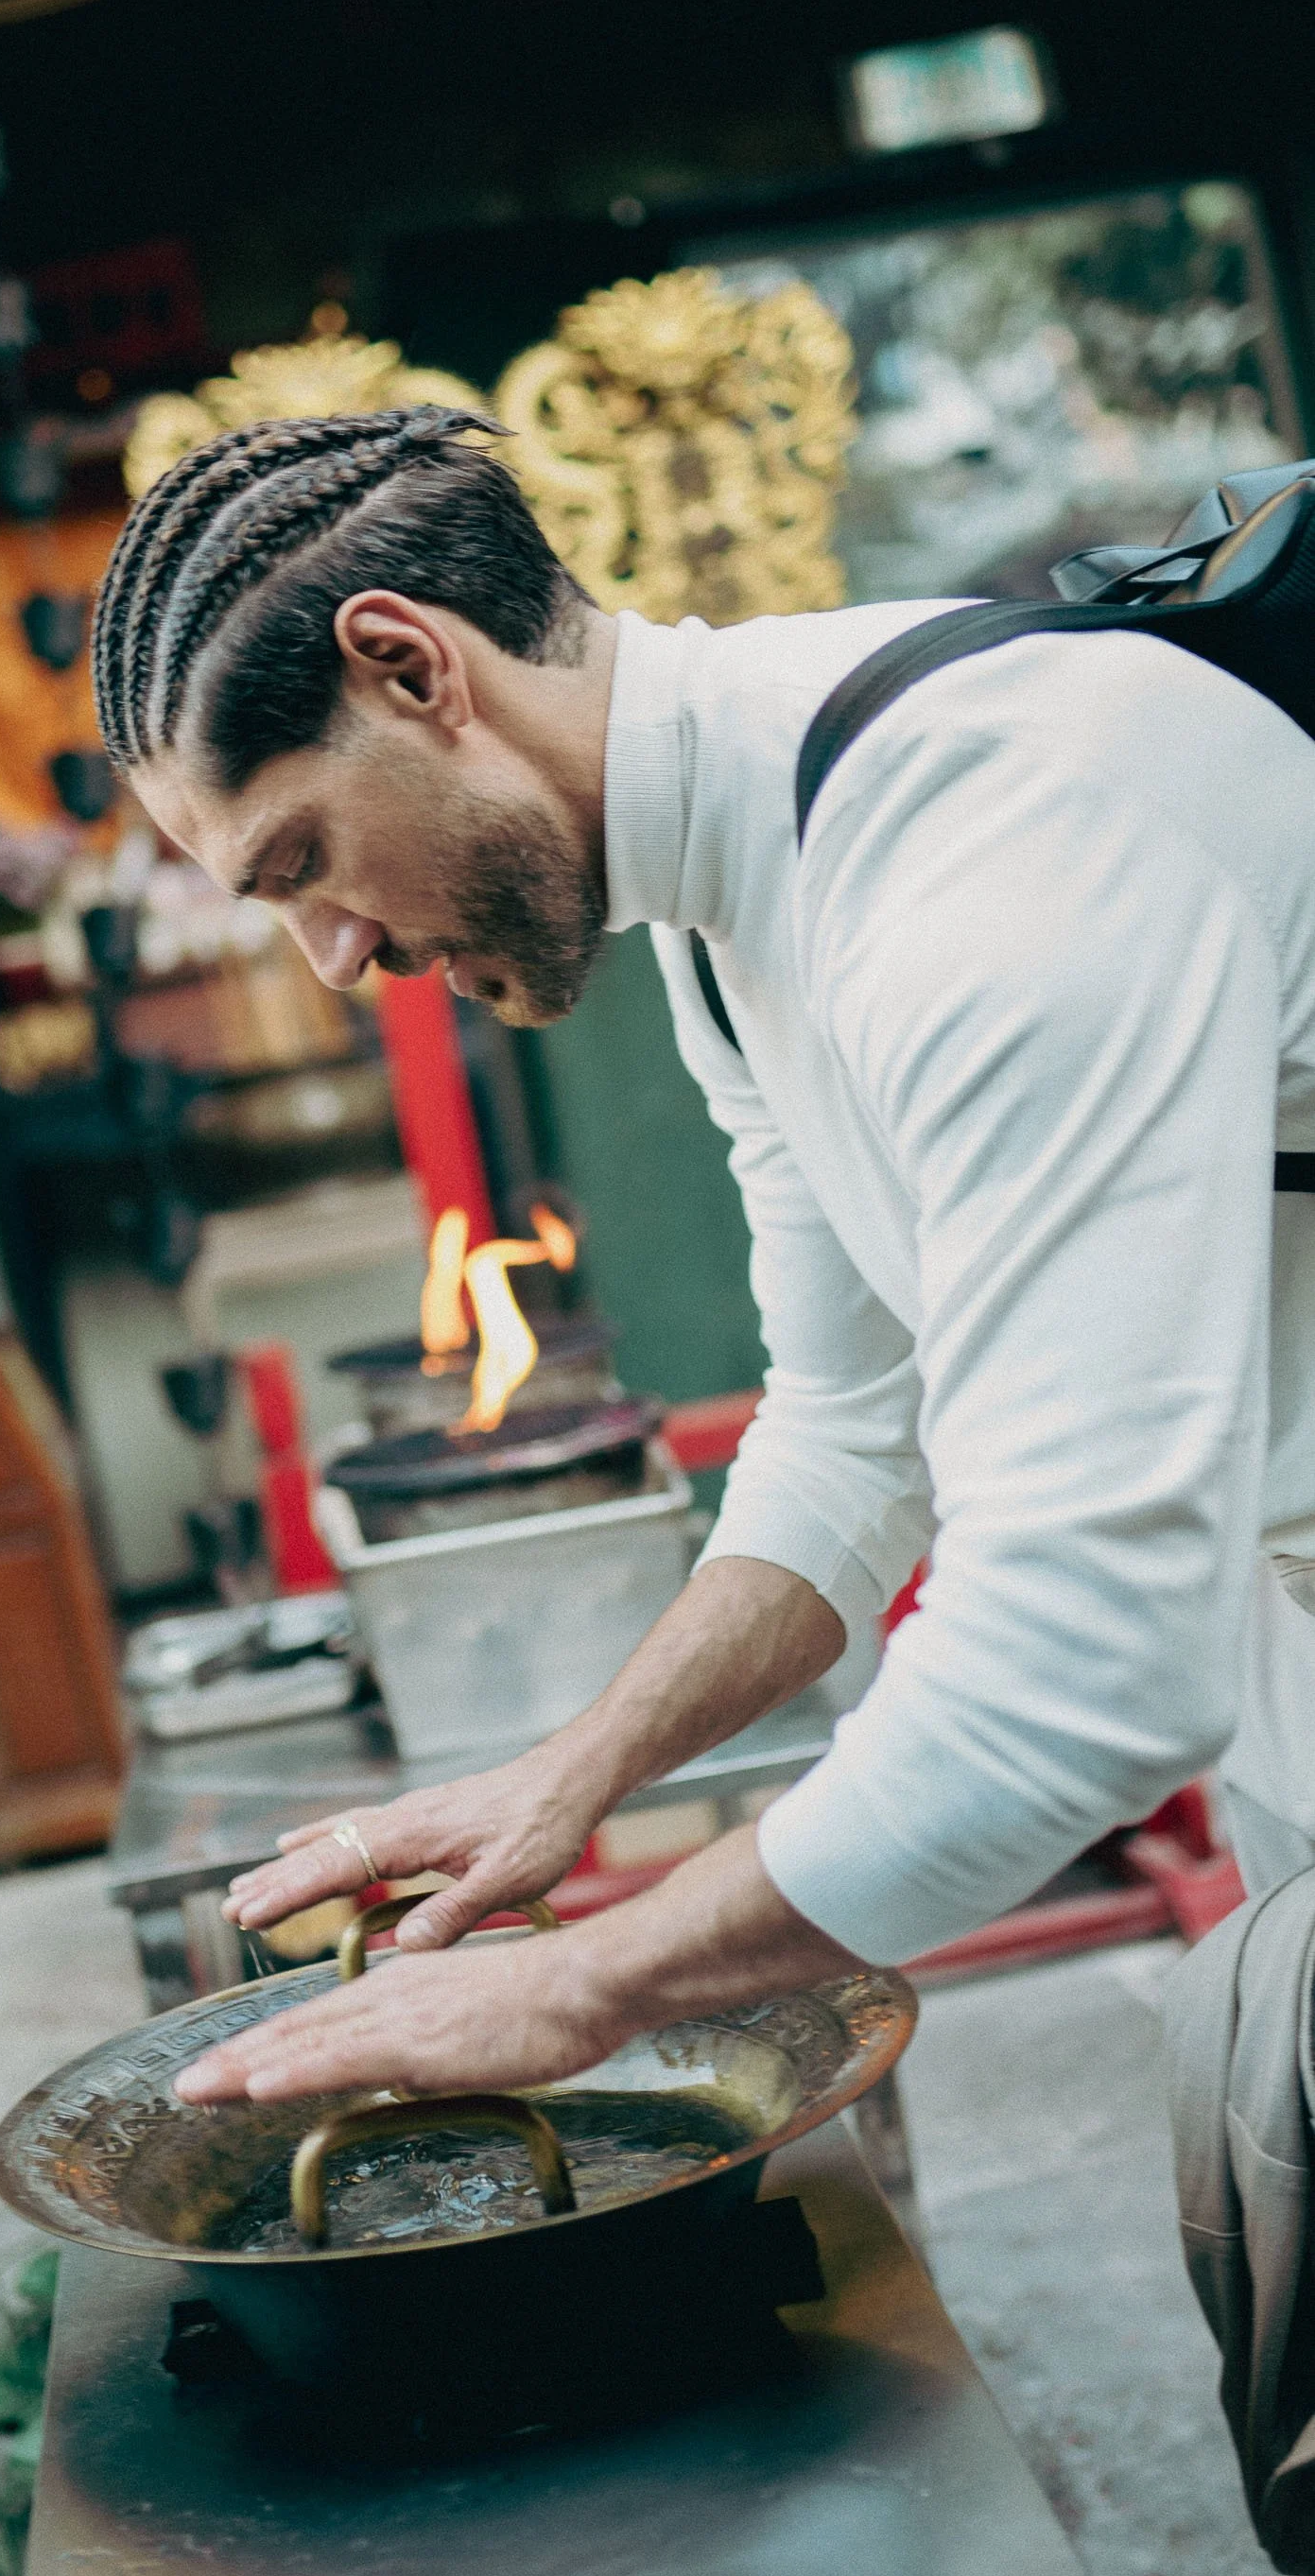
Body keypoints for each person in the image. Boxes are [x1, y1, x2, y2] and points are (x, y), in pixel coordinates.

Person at [90, 405, 1315, 2113]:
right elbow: (846, 1436)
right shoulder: (745, 887)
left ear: (409, 667)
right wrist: (572, 1775)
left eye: (302, 862)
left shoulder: (988, 851)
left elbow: (1086, 1655)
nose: (334, 956)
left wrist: (587, 1985)